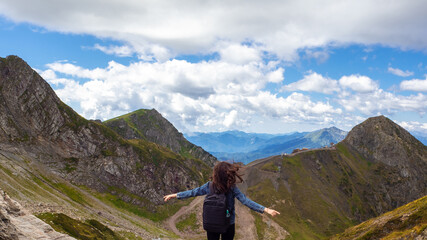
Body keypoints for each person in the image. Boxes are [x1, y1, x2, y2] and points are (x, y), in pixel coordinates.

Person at [163, 161, 280, 240]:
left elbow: (193, 192)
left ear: (216, 174)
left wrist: (176, 195)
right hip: (228, 224)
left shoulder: (209, 186)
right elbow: (245, 201)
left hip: (211, 223)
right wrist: (265, 209)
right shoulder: (232, 188)